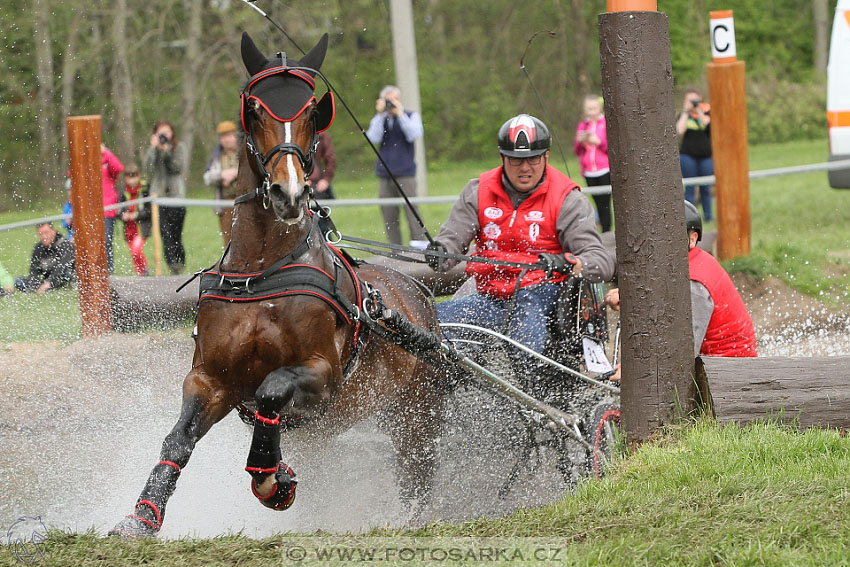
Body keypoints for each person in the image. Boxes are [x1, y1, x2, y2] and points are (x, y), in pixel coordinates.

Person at [426, 114, 615, 381]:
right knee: (428, 326)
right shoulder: (477, 191)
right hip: (489, 297)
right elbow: (451, 243)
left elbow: (600, 261)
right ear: (502, 158)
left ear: (546, 157)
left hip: (542, 296)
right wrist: (440, 252)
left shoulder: (567, 198)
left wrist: (568, 262)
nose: (524, 167)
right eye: (515, 159)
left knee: (524, 343)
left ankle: (542, 400)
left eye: (533, 159)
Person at [605, 201, 757, 358]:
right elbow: (664, 294)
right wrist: (633, 298)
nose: (660, 242)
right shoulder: (687, 262)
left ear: (692, 238)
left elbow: (683, 354)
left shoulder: (693, 284)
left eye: (669, 235)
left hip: (726, 369)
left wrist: (632, 371)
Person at [366, 85, 427, 248]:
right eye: (388, 100)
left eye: (394, 99)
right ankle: (396, 249)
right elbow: (373, 137)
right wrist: (380, 114)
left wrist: (400, 114)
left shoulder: (410, 116)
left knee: (412, 213)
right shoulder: (380, 119)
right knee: (389, 215)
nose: (391, 103)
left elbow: (414, 134)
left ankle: (419, 246)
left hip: (405, 173)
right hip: (385, 174)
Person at [144, 120, 187, 274]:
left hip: (176, 197)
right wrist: (153, 149)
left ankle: (179, 264)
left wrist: (167, 152)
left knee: (176, 234)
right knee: (165, 234)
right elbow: (148, 168)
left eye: (167, 132)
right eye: (161, 132)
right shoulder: (154, 149)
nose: (164, 135)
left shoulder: (179, 147)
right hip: (159, 198)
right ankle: (171, 265)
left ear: (172, 133)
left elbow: (177, 168)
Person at [574, 94, 612, 233]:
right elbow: (577, 151)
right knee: (597, 203)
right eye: (589, 109)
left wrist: (598, 142)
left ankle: (607, 233)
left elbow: (611, 148)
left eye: (594, 108)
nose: (592, 111)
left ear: (599, 108)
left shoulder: (606, 123)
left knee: (605, 205)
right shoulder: (583, 125)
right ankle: (601, 233)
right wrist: (580, 142)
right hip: (589, 171)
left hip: (604, 169)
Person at [676, 88, 713, 221]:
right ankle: (690, 219)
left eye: (694, 100)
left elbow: (710, 127)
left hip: (706, 157)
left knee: (706, 187)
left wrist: (698, 111)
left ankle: (709, 217)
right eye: (689, 100)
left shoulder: (707, 112)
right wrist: (686, 111)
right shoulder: (683, 115)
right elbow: (679, 130)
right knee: (690, 187)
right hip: (688, 156)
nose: (692, 102)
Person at [203, 120, 240, 245]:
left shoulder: (245, 152)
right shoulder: (216, 157)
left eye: (229, 135)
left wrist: (234, 173)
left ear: (235, 136)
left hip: (245, 201)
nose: (226, 140)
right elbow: (207, 177)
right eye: (223, 136)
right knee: (228, 238)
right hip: (225, 203)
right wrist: (221, 175)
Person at [14, 222, 75, 294]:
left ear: (54, 231)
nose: (44, 236)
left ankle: (56, 287)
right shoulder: (38, 248)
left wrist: (49, 283)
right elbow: (34, 270)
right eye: (40, 234)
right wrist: (35, 285)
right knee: (19, 281)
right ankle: (42, 289)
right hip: (46, 279)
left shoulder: (65, 245)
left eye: (46, 232)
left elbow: (62, 267)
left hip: (61, 278)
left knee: (67, 275)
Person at [118, 164, 151, 276]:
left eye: (134, 176)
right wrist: (123, 215)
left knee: (136, 250)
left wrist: (135, 215)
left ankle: (145, 270)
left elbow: (149, 210)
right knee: (134, 253)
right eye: (129, 177)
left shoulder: (145, 189)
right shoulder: (123, 192)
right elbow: (119, 209)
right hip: (129, 229)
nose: (132, 180)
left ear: (139, 176)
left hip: (141, 227)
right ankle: (139, 274)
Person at [100, 144, 124, 273]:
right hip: (91, 210)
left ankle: (108, 272)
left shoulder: (106, 162)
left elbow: (118, 167)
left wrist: (106, 152)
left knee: (106, 241)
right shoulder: (87, 162)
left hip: (107, 208)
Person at [308, 131, 337, 200]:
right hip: (297, 182)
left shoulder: (322, 135)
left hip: (318, 182)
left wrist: (325, 180)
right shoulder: (295, 133)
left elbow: (330, 159)